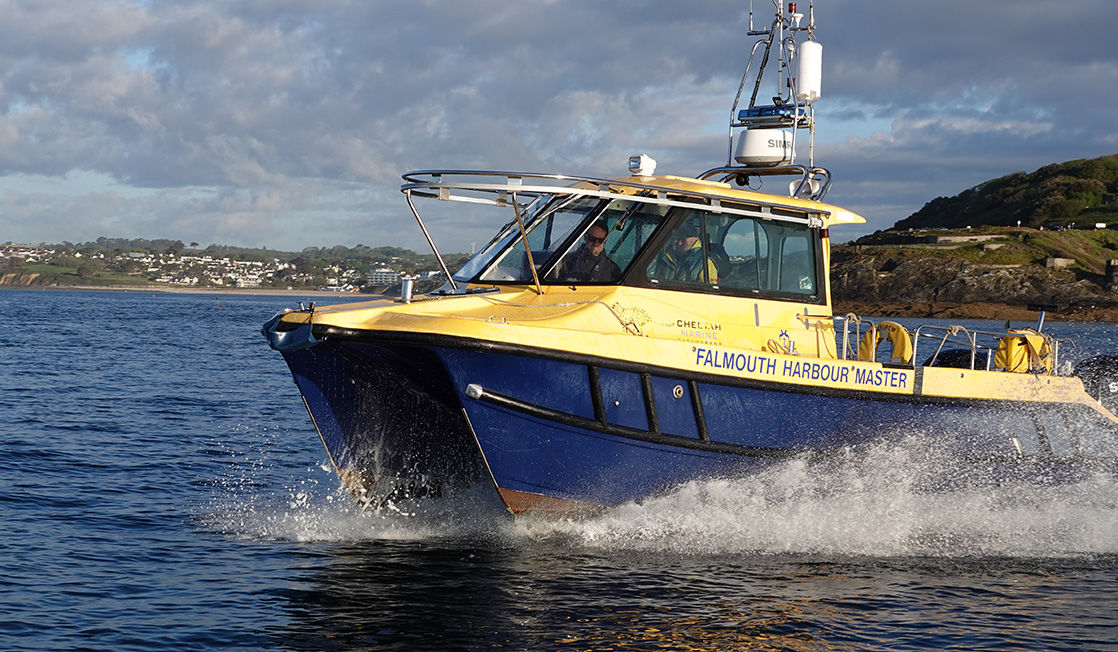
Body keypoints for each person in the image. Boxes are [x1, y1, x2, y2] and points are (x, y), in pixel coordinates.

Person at [651, 220, 719, 284]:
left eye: (684, 239)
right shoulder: (662, 256)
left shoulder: (705, 264)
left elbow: (708, 294)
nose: (679, 243)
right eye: (677, 237)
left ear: (696, 238)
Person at [553, 221, 621, 282]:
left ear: (605, 242)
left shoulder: (613, 269)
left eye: (600, 241)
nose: (596, 244)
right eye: (592, 239)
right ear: (585, 238)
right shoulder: (567, 261)